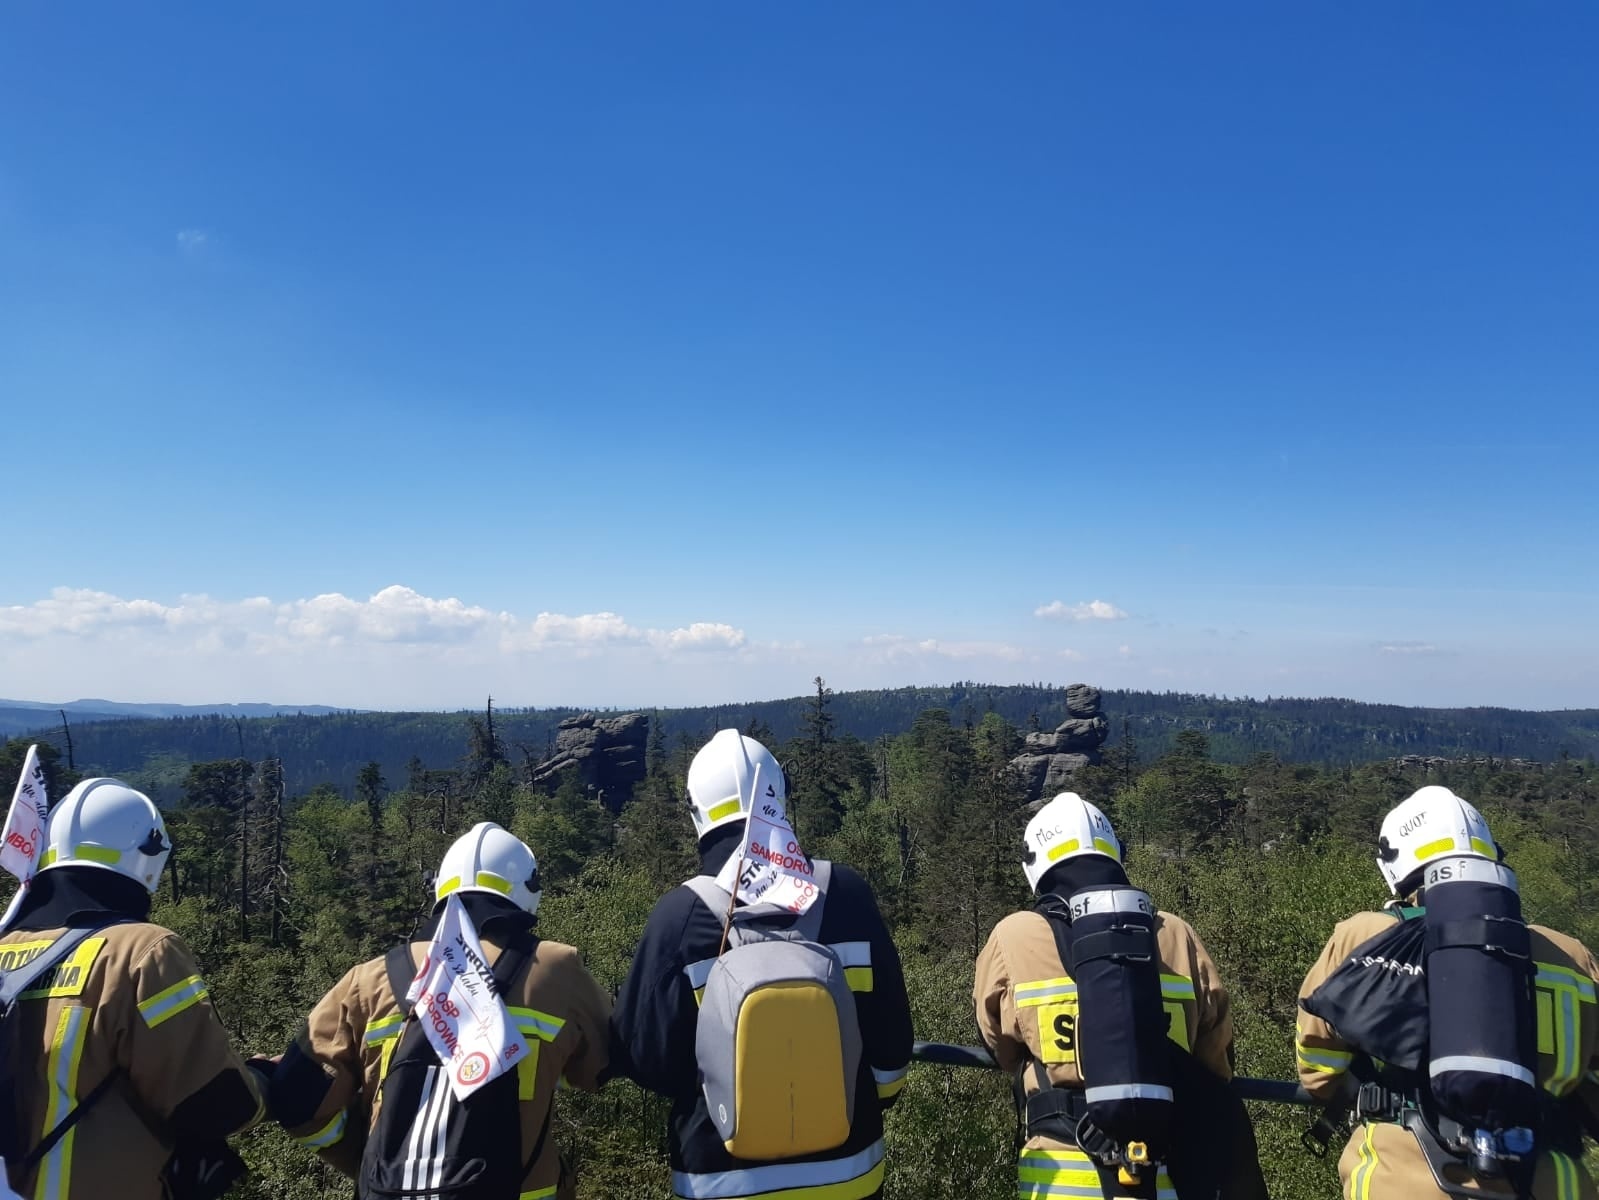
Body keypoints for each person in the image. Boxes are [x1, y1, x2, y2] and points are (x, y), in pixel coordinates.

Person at [610, 729, 913, 1200]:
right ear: (780, 798)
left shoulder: (680, 916)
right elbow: (892, 1044)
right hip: (849, 1175)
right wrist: (855, 1101)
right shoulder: (848, 894)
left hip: (720, 1180)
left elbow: (647, 1061)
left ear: (696, 812)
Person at [259, 821, 611, 1200]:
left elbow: (298, 1099)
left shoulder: (369, 981)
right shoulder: (556, 970)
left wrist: (373, 1163)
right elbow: (609, 1064)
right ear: (528, 891)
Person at [1296, 785, 1599, 1199]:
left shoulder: (1366, 936)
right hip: (1552, 1183)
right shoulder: (1572, 957)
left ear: (1397, 865)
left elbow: (1316, 1068)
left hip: (1404, 1179)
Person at [975, 792, 1264, 1200]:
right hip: (1171, 1175)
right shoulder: (1176, 933)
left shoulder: (1014, 935)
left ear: (1035, 864)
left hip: (1062, 1179)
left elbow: (997, 1042)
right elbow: (1216, 1057)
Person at [0, 777, 264, 1200]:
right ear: (148, 858)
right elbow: (214, 1102)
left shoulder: (5, 950)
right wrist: (266, 1082)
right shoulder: (142, 951)